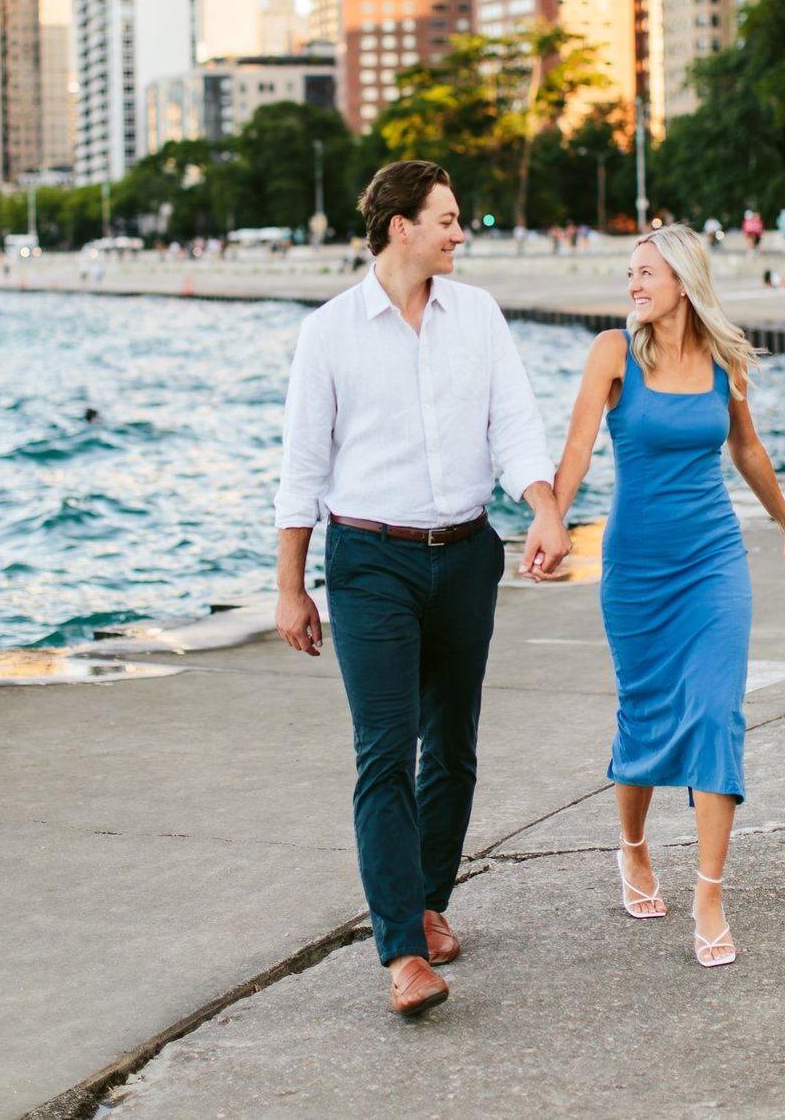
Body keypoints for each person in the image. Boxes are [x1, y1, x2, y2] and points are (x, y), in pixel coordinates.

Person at [274, 160, 570, 1017]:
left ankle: (429, 899)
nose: (459, 231)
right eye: (446, 218)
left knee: (454, 746)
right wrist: (292, 589)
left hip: (467, 553)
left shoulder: (475, 313)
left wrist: (545, 509)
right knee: (384, 748)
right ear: (399, 225)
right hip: (369, 561)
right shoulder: (329, 332)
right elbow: (302, 471)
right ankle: (402, 951)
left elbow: (515, 425)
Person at [553, 224, 785, 970]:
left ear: (683, 281)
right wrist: (553, 522)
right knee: (646, 711)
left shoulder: (721, 357)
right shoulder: (613, 353)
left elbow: (747, 446)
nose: (634, 285)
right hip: (635, 567)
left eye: (647, 273)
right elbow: (575, 449)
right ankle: (632, 846)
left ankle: (708, 893)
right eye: (630, 273)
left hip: (713, 562)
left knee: (714, 713)